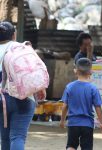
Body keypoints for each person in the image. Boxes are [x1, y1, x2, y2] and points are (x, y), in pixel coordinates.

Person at [0, 21, 45, 150]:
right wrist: (41, 88)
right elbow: (37, 68)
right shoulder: (21, 47)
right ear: (14, 35)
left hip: (1, 98)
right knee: (17, 137)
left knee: (4, 138)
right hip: (24, 97)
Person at [60, 58, 102, 150]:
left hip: (73, 123)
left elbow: (65, 106)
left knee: (71, 146)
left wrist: (62, 120)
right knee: (87, 147)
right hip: (87, 124)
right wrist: (101, 122)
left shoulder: (69, 87)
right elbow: (98, 107)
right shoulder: (93, 88)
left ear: (75, 71)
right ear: (91, 72)